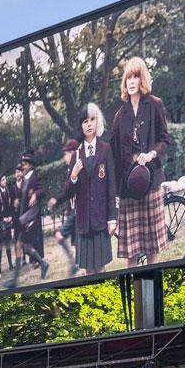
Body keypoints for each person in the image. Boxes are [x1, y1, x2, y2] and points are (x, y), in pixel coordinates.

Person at [110, 57, 170, 266]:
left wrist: (151, 154)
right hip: (128, 188)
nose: (132, 81)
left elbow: (164, 139)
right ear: (125, 82)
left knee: (153, 247)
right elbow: (113, 152)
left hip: (151, 182)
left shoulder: (154, 105)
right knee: (131, 252)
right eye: (128, 77)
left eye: (136, 76)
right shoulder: (120, 115)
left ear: (142, 79)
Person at [64, 103, 117, 276]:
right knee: (88, 271)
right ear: (81, 125)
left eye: (92, 120)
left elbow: (111, 186)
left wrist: (112, 218)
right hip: (84, 222)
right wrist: (74, 175)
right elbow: (68, 192)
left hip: (101, 219)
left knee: (101, 268)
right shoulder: (77, 154)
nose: (89, 124)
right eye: (85, 121)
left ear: (97, 122)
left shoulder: (106, 149)